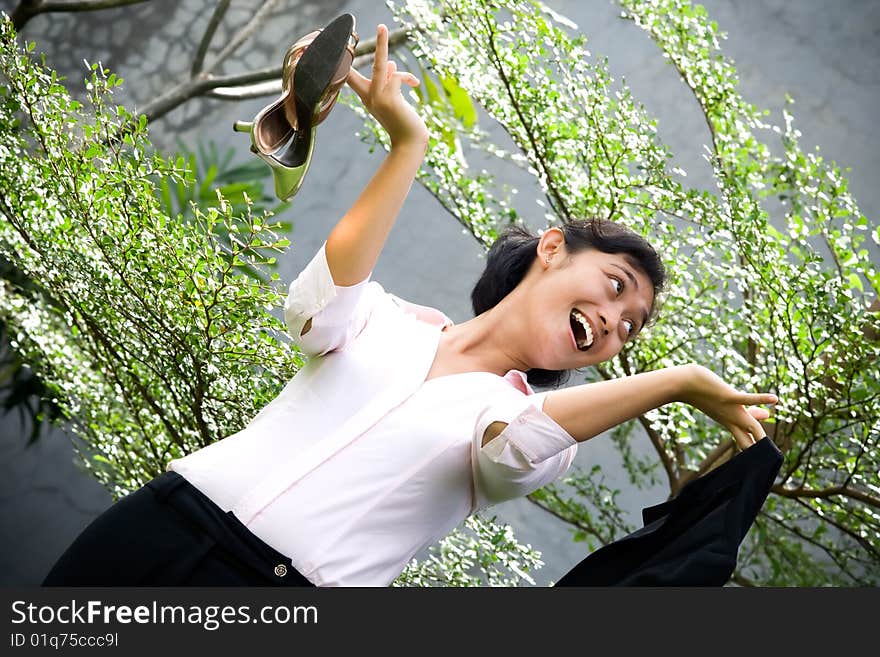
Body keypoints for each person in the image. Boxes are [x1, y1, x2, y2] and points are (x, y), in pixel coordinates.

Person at [42, 23, 777, 588]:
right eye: (616, 287)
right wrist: (407, 143)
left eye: (630, 329)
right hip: (163, 517)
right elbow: (315, 307)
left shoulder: (531, 427)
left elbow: (511, 448)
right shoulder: (390, 318)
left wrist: (679, 379)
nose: (615, 323)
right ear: (553, 248)